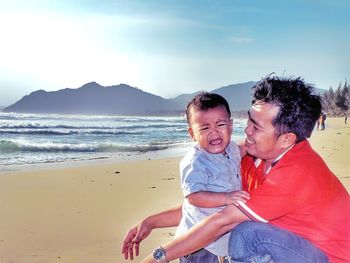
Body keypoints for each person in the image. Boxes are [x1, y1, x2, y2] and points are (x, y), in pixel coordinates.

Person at [122, 76, 350, 263]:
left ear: (286, 139)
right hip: (290, 246)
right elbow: (209, 210)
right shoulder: (249, 155)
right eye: (249, 121)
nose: (247, 131)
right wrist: (151, 221)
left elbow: (224, 220)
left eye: (256, 127)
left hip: (328, 257)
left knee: (246, 234)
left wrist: (156, 258)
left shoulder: (298, 171)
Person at [175, 92, 249, 263]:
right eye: (205, 127)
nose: (214, 132)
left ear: (230, 125)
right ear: (192, 133)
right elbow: (194, 196)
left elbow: (243, 148)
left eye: (220, 124)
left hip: (220, 236)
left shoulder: (231, 149)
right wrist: (226, 198)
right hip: (198, 243)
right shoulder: (195, 162)